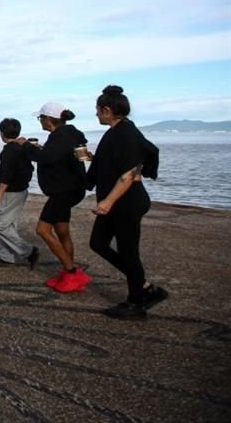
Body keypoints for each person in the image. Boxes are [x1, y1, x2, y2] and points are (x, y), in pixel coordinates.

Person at [87, 85, 167, 319]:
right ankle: (144, 287)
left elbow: (130, 173)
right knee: (98, 243)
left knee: (129, 252)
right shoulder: (115, 132)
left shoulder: (127, 133)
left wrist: (108, 201)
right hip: (118, 200)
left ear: (107, 110)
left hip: (127, 201)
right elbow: (117, 161)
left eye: (97, 110)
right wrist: (95, 159)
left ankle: (136, 302)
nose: (96, 114)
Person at [23, 102, 91, 293]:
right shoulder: (72, 135)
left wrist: (28, 147)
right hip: (74, 189)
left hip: (63, 191)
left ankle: (71, 273)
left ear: (47, 119)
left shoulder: (59, 138)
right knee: (62, 231)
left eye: (40, 118)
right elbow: (81, 157)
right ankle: (67, 271)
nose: (40, 122)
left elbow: (46, 158)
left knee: (43, 230)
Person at [0, 118, 39, 267]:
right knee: (9, 224)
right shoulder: (23, 147)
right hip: (21, 190)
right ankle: (6, 255)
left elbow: (6, 174)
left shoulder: (9, 151)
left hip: (10, 193)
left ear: (2, 133)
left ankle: (28, 251)